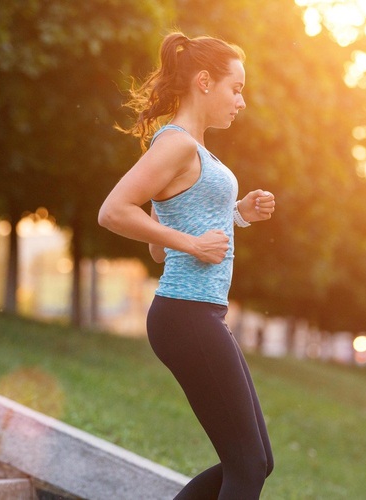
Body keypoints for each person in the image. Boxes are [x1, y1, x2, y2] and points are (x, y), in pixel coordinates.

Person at [98, 32, 276, 499]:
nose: (241, 101)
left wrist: (238, 213)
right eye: (235, 88)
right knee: (248, 467)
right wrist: (193, 245)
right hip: (186, 314)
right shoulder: (176, 144)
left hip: (197, 313)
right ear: (204, 82)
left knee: (258, 461)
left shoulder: (190, 146)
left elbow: (161, 243)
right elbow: (114, 211)